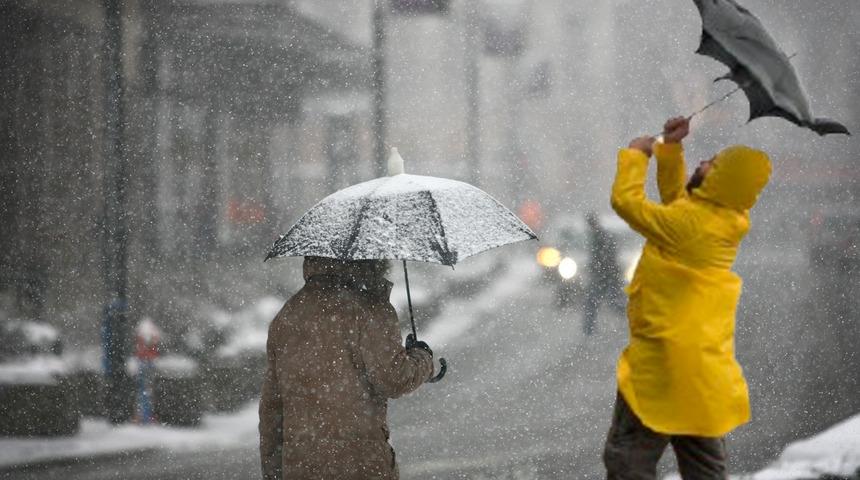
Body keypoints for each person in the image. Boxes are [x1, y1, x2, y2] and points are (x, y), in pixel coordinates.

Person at [603, 117, 771, 479]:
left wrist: (636, 155)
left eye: (711, 163)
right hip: (703, 374)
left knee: (628, 460)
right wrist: (668, 149)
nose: (702, 163)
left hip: (664, 365)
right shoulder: (719, 219)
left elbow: (626, 203)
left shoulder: (690, 227)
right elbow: (678, 202)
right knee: (704, 469)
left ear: (721, 181)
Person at [259, 256, 434, 480]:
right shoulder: (370, 308)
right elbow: (394, 378)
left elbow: (272, 410)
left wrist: (274, 471)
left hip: (300, 465)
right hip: (359, 463)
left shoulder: (288, 315)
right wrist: (422, 358)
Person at [582, 212, 625, 335]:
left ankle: (588, 330)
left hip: (605, 276)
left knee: (596, 302)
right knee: (610, 301)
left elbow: (604, 258)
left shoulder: (600, 236)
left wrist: (598, 269)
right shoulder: (600, 236)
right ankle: (588, 329)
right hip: (606, 275)